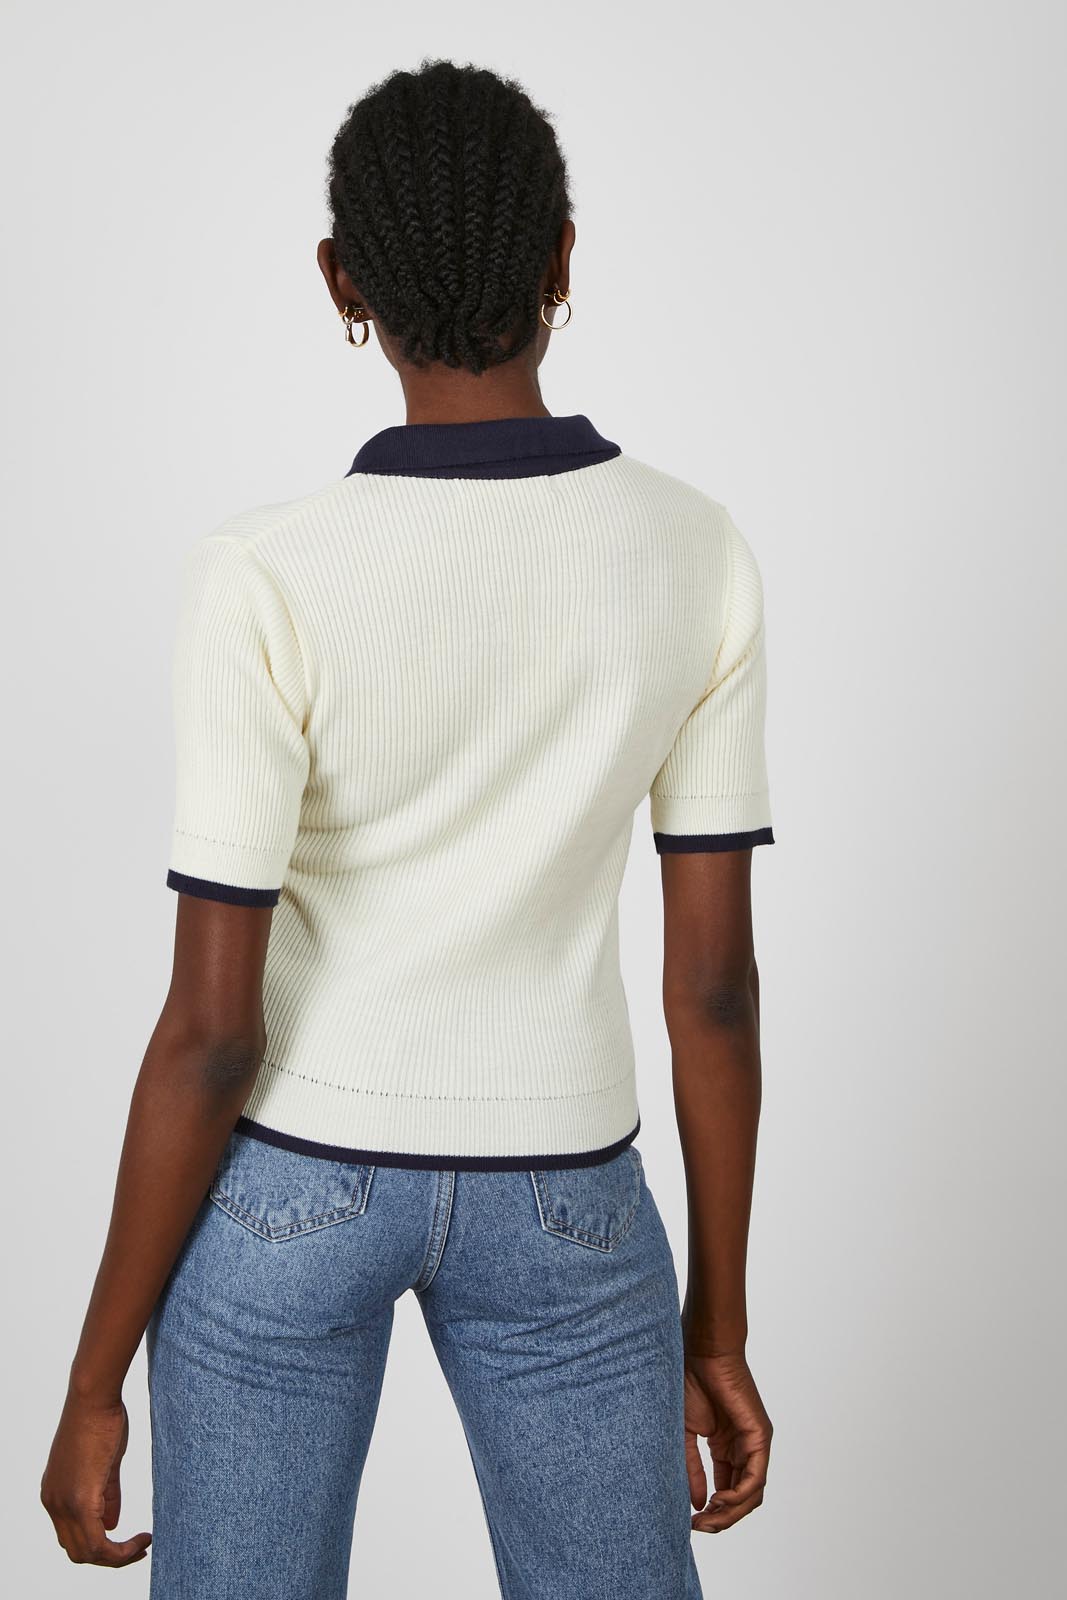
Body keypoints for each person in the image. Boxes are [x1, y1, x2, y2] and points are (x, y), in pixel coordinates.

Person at [40, 57, 775, 1599]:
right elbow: (713, 991)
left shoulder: (263, 577)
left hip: (289, 1180)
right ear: (562, 257)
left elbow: (211, 1033)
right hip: (570, 1189)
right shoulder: (694, 552)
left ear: (342, 281)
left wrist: (93, 1377)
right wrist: (716, 1326)